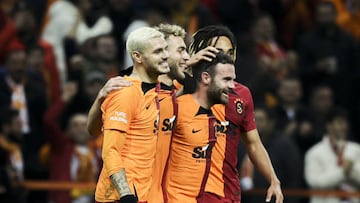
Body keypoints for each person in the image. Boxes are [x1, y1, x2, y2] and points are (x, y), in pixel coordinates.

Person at [186, 25, 283, 203]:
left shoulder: (241, 94)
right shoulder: (181, 88)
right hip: (186, 193)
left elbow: (253, 144)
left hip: (227, 193)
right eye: (218, 51)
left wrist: (273, 180)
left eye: (230, 52)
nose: (225, 57)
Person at [94, 27, 169, 203]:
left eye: (165, 49)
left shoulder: (157, 92)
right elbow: (110, 150)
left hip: (144, 193)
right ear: (137, 57)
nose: (165, 55)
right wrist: (126, 195)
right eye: (158, 51)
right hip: (119, 197)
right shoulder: (125, 93)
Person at [163, 52, 236, 203]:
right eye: (226, 80)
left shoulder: (216, 116)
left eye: (233, 80)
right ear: (206, 78)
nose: (232, 86)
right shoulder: (177, 108)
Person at [304, 108, 360, 203]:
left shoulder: (356, 149)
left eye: (345, 123)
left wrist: (352, 171)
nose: (344, 126)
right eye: (339, 123)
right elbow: (314, 182)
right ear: (328, 125)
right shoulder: (314, 152)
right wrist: (342, 172)